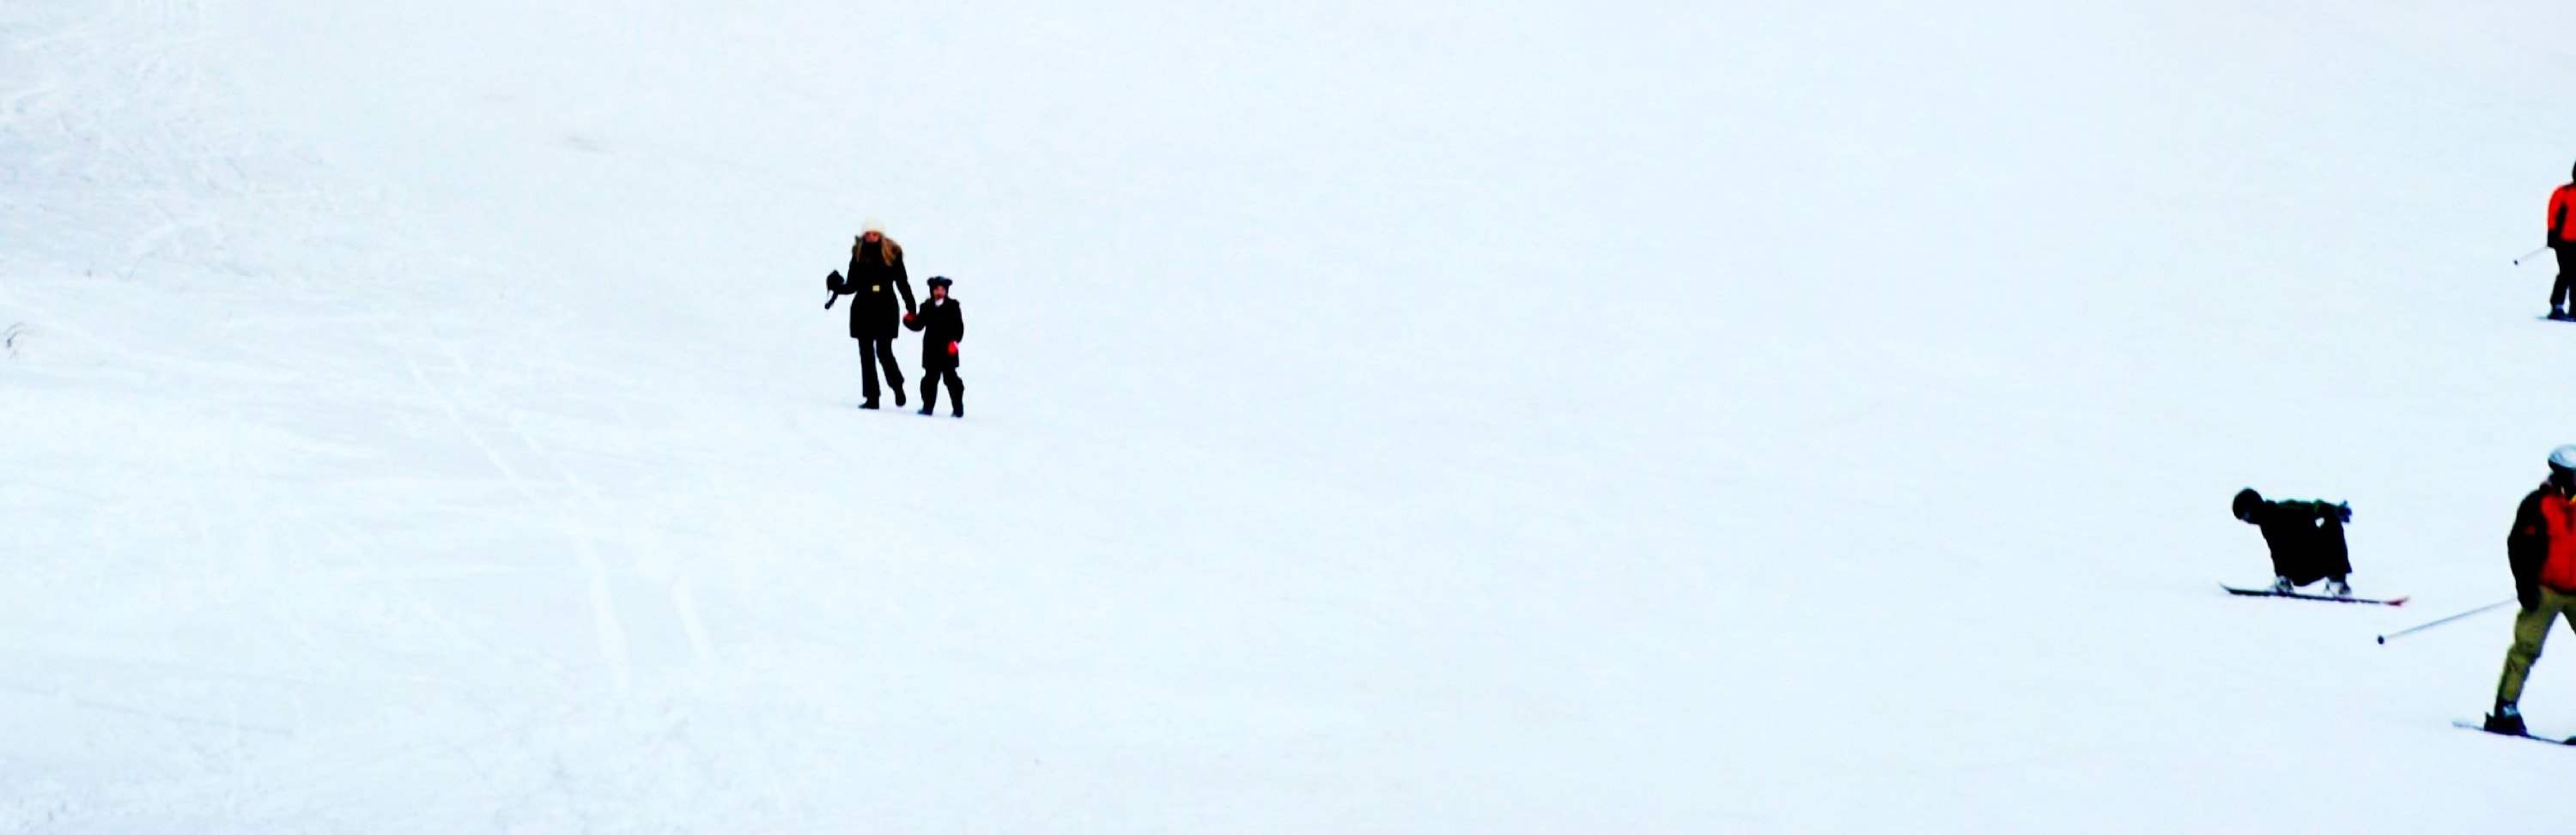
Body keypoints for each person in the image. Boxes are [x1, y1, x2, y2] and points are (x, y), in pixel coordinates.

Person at [2485, 445, 2576, 735]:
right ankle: (2505, 709)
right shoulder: (2537, 504)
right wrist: (2524, 584)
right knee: (2526, 649)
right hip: (2544, 589)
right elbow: (2518, 546)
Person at [828, 223, 919, 408]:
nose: (871, 237)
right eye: (868, 234)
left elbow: (902, 281)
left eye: (874, 234)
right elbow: (852, 285)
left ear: (880, 235)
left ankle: (897, 386)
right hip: (863, 306)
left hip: (886, 306)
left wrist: (911, 305)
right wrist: (838, 287)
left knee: (884, 351)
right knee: (866, 354)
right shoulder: (859, 255)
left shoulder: (892, 254)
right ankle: (872, 397)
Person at [2232, 487, 2354, 597]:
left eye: (2245, 516)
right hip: (2300, 570)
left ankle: (2337, 582)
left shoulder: (2283, 511)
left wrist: (2335, 511)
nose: (2247, 521)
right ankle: (2285, 579)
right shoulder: (2267, 522)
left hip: (2313, 563)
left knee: (2333, 522)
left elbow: (2315, 507)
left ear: (2253, 508)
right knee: (2332, 522)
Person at [905, 276, 964, 418]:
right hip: (931, 350)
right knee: (929, 380)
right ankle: (927, 407)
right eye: (937, 289)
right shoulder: (926, 307)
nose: (939, 292)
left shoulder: (953, 307)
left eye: (942, 290)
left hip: (948, 350)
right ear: (932, 291)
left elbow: (959, 328)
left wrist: (955, 343)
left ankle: (958, 409)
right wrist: (908, 321)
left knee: (951, 380)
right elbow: (919, 324)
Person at [2549, 164, 2576, 319]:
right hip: (2563, 240)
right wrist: (2552, 234)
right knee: (2566, 273)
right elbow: (2553, 213)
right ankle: (2557, 306)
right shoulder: (2563, 192)